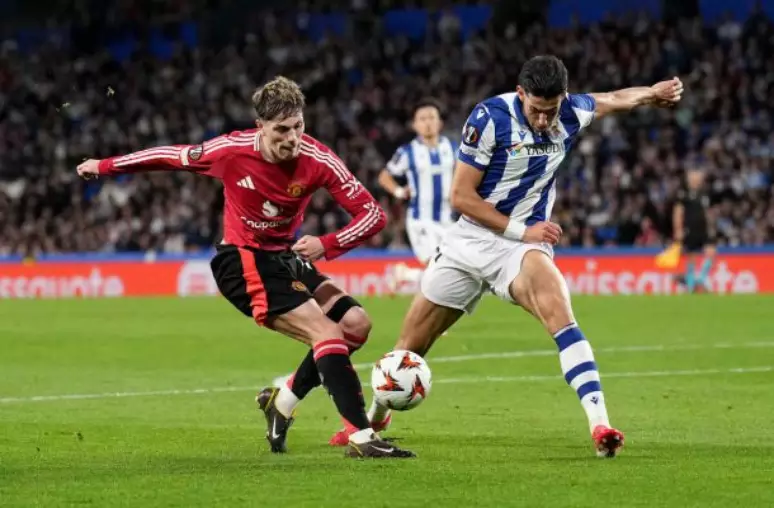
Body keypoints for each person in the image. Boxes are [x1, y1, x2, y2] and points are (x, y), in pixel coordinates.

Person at [331, 55, 684, 457]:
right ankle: (375, 420)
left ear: (563, 100)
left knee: (562, 317)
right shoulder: (489, 118)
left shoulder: (572, 111)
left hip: (521, 250)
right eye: (535, 110)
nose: (542, 120)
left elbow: (616, 97)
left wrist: (653, 94)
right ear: (520, 95)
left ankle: (600, 423)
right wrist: (522, 229)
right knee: (408, 350)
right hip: (470, 241)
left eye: (550, 111)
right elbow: (460, 197)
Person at [76, 76, 415, 459]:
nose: (292, 138)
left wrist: (328, 243)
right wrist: (104, 166)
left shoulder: (317, 159)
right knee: (326, 334)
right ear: (260, 127)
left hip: (286, 258)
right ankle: (361, 436)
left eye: (299, 126)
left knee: (355, 325)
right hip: (242, 260)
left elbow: (374, 214)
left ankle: (282, 402)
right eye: (281, 130)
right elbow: (170, 156)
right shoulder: (230, 150)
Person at [378, 98, 457, 292]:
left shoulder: (453, 148)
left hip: (448, 219)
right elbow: (384, 176)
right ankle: (406, 275)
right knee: (437, 268)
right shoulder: (407, 152)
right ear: (415, 125)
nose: (428, 122)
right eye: (422, 119)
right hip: (421, 219)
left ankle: (404, 274)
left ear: (440, 122)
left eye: (431, 117)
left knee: (449, 271)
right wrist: (398, 191)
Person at [672, 167, 715, 292]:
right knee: (691, 257)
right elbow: (678, 212)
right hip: (689, 229)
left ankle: (700, 279)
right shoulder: (683, 195)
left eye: (698, 179)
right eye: (693, 179)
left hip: (703, 230)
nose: (696, 181)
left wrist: (711, 227)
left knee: (711, 253)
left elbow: (708, 213)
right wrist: (678, 229)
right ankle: (691, 285)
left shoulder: (704, 195)